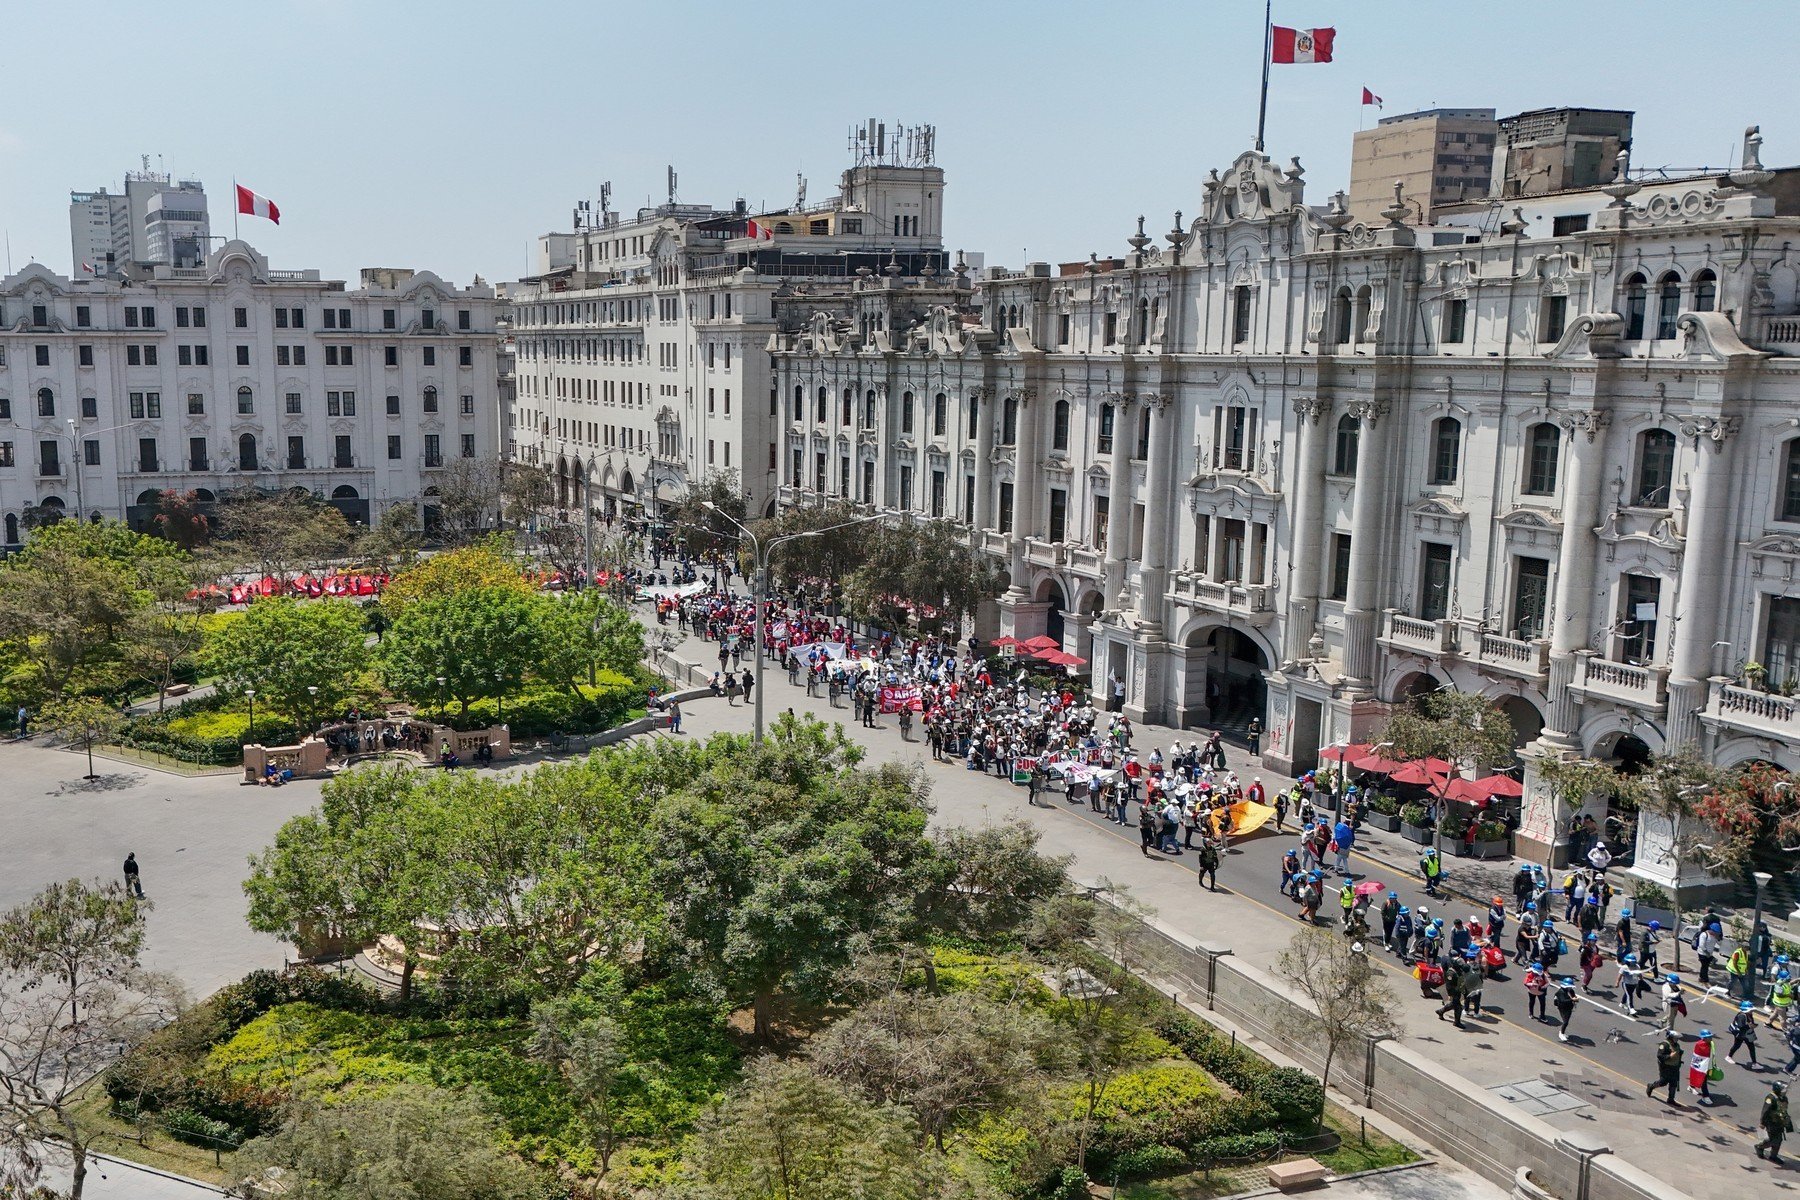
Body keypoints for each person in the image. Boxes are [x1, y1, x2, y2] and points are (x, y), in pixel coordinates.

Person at [1758, 1081, 1795, 1164]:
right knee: (1773, 1140)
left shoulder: (1784, 1098)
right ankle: (1760, 1147)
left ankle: (1773, 1156)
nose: (1784, 1091)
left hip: (1779, 1122)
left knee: (1779, 1139)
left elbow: (1783, 1110)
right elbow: (1765, 1111)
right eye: (1783, 1089)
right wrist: (1762, 1122)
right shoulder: (1771, 1098)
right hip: (1771, 1122)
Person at [1647, 1030, 1683, 1104]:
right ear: (1670, 1037)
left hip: (1675, 1067)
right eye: (1675, 1038)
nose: (1676, 1040)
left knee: (1673, 1083)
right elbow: (1660, 1055)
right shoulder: (1664, 1044)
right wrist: (1669, 1056)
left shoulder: (1676, 1045)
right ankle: (1651, 1086)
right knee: (1663, 1082)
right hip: (1666, 1067)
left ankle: (1671, 1099)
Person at [1729, 1000, 1762, 1067]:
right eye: (1750, 1010)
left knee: (1751, 1047)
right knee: (1737, 1045)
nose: (1752, 1011)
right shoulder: (1742, 1016)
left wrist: (1752, 1025)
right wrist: (1749, 1026)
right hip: (1741, 1034)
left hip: (1747, 1033)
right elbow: (1741, 1026)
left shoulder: (1749, 1014)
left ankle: (1754, 1063)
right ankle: (1729, 1056)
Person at [1690, 1028, 1717, 1105]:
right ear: (1704, 1038)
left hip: (1705, 1064)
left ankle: (1692, 1086)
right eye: (1709, 1037)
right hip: (1700, 1065)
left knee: (1697, 1077)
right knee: (1703, 1079)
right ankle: (1705, 1096)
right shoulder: (1700, 1044)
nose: (1711, 1038)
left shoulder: (1710, 1043)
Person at [1553, 976, 1579, 1042]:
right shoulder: (1560, 992)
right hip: (1563, 1008)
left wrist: (1575, 998)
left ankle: (1563, 1032)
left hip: (1569, 1007)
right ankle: (1561, 1033)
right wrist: (1572, 999)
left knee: (1567, 1020)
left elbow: (1573, 995)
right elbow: (1563, 1000)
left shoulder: (1570, 990)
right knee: (1565, 1022)